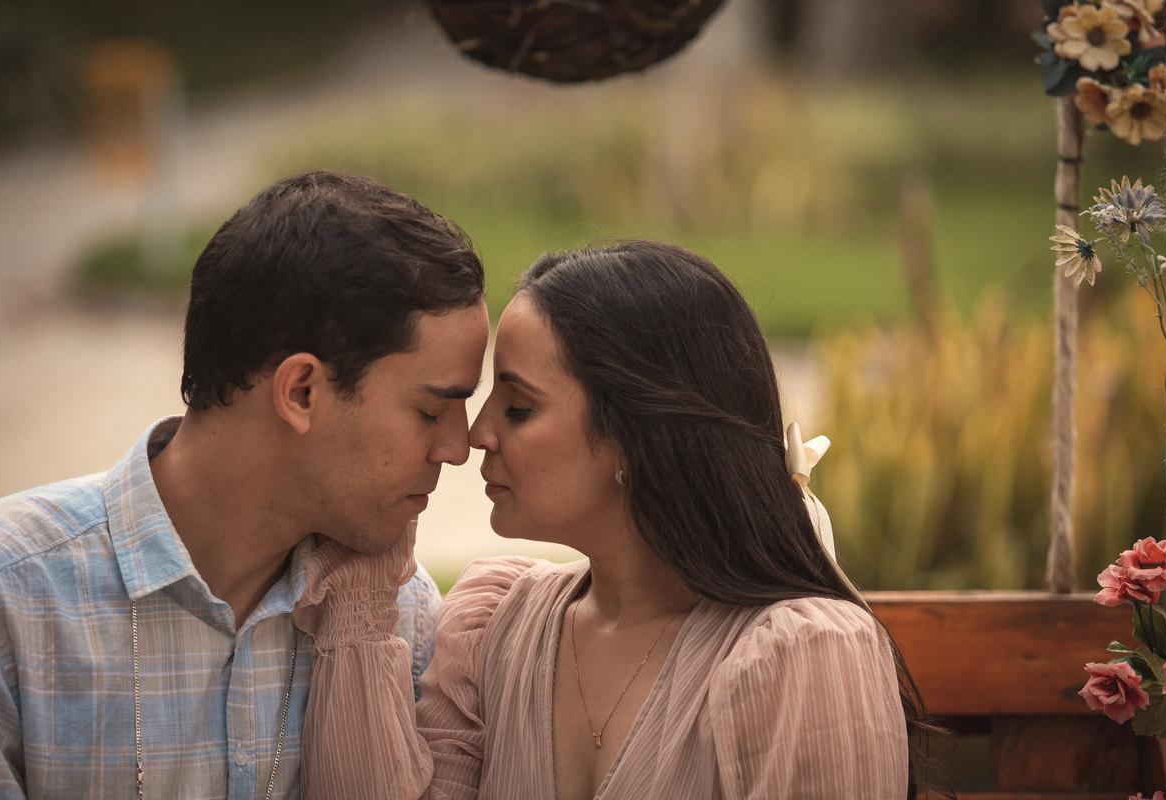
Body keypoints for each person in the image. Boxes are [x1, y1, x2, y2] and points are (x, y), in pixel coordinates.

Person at [299, 239, 939, 799]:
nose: (476, 435)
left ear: (634, 439)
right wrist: (365, 561)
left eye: (518, 407)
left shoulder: (800, 657)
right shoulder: (493, 627)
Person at [0, 169, 490, 799]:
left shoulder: (397, 614)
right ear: (300, 392)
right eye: (431, 410)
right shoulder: (7, 603)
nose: (457, 448)